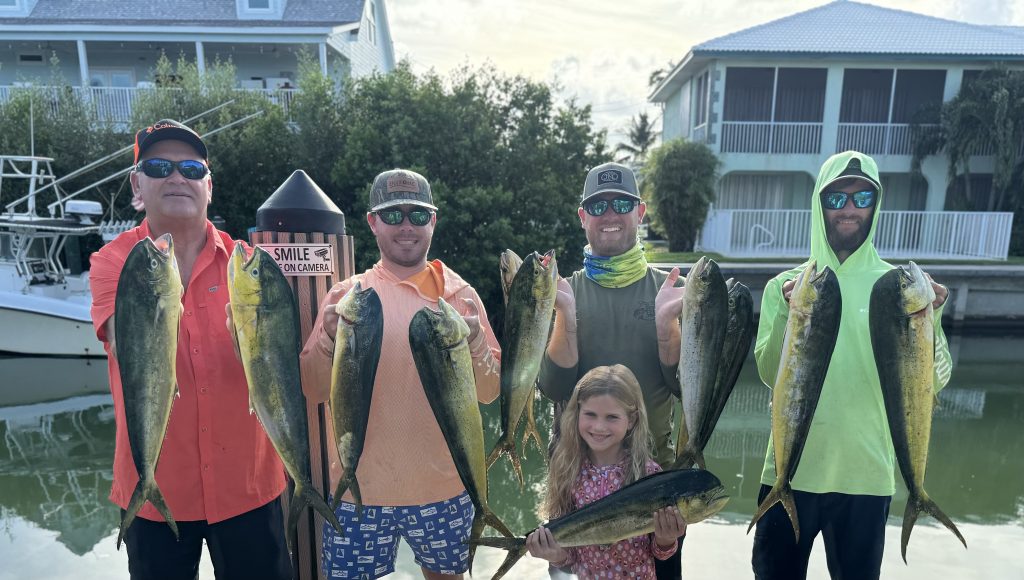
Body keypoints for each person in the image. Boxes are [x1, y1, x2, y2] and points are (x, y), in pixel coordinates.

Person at [89, 119, 291, 579]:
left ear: (209, 187)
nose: (178, 177)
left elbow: (282, 364)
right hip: (153, 490)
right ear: (137, 183)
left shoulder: (250, 266)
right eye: (160, 166)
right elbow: (126, 343)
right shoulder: (114, 262)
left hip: (248, 487)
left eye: (192, 168)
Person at [751, 150, 952, 580]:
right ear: (818, 204)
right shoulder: (784, 288)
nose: (849, 209)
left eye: (862, 197)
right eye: (836, 198)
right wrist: (791, 313)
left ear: (876, 206)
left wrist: (929, 321)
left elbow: (936, 379)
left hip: (867, 476)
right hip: (789, 472)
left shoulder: (901, 288)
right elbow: (770, 374)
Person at [299, 168, 501, 580]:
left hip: (445, 489)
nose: (406, 226)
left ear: (433, 221)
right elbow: (312, 389)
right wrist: (326, 341)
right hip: (358, 492)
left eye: (417, 215)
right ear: (372, 221)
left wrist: (477, 342)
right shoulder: (346, 297)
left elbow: (490, 392)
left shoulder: (461, 296)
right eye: (393, 215)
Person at [538, 161, 685, 578]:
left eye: (621, 203)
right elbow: (553, 387)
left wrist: (666, 329)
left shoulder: (670, 290)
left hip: (653, 481)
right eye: (597, 206)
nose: (609, 215)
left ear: (641, 212)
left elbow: (686, 389)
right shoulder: (563, 290)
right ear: (583, 217)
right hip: (577, 482)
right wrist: (565, 316)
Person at [526, 365, 687, 579]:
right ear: (577, 414)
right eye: (590, 414)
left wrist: (666, 541)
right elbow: (571, 558)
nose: (599, 426)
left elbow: (660, 554)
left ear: (631, 420)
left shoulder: (648, 474)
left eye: (612, 417)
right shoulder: (567, 471)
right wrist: (555, 555)